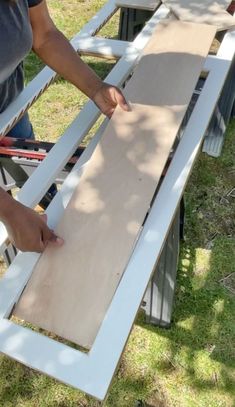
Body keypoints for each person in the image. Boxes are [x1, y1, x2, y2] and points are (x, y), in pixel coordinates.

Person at [0, 0, 130, 253]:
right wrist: (9, 211)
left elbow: (44, 34)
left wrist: (95, 87)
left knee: (36, 182)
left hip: (9, 110)